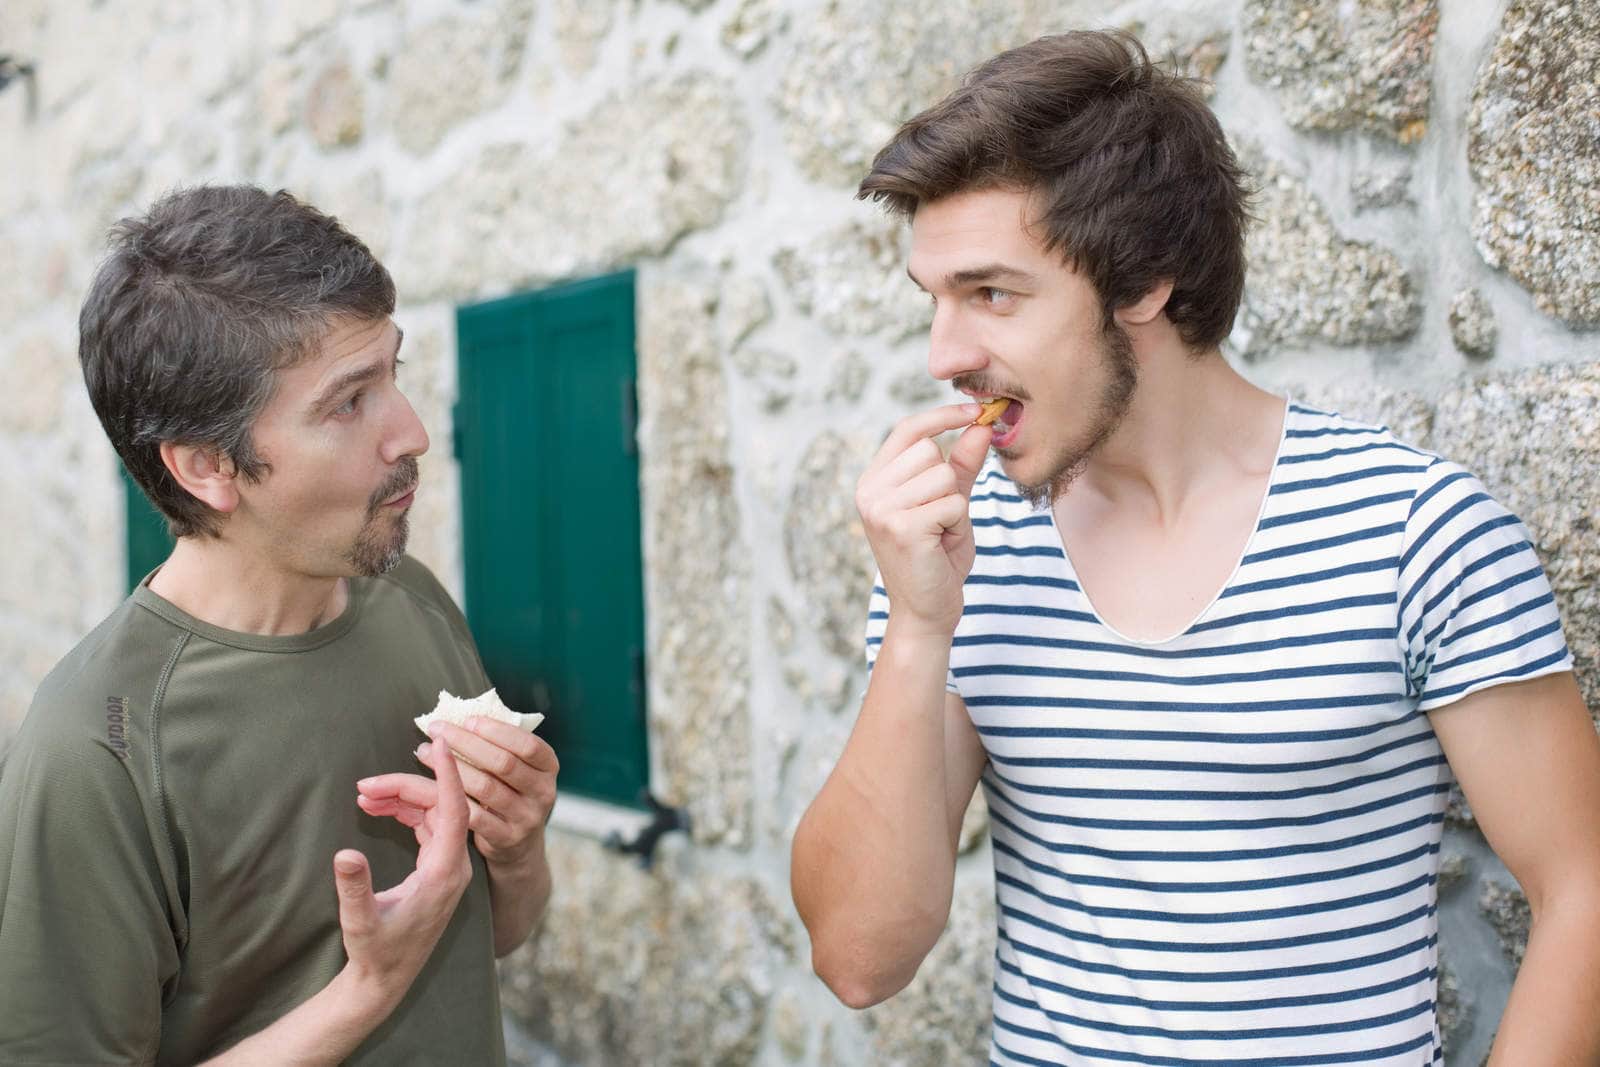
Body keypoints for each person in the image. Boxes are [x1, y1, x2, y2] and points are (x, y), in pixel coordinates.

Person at [791, 30, 1600, 1065]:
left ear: (1144, 281)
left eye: (991, 293)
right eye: (934, 299)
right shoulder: (956, 548)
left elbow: (1580, 886)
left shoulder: (1416, 533)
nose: (945, 354)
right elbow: (859, 957)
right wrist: (915, 628)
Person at [0, 186, 558, 1066]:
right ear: (208, 466)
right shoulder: (95, 750)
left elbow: (495, 934)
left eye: (393, 374)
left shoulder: (410, 596)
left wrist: (517, 847)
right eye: (348, 403)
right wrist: (361, 995)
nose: (410, 432)